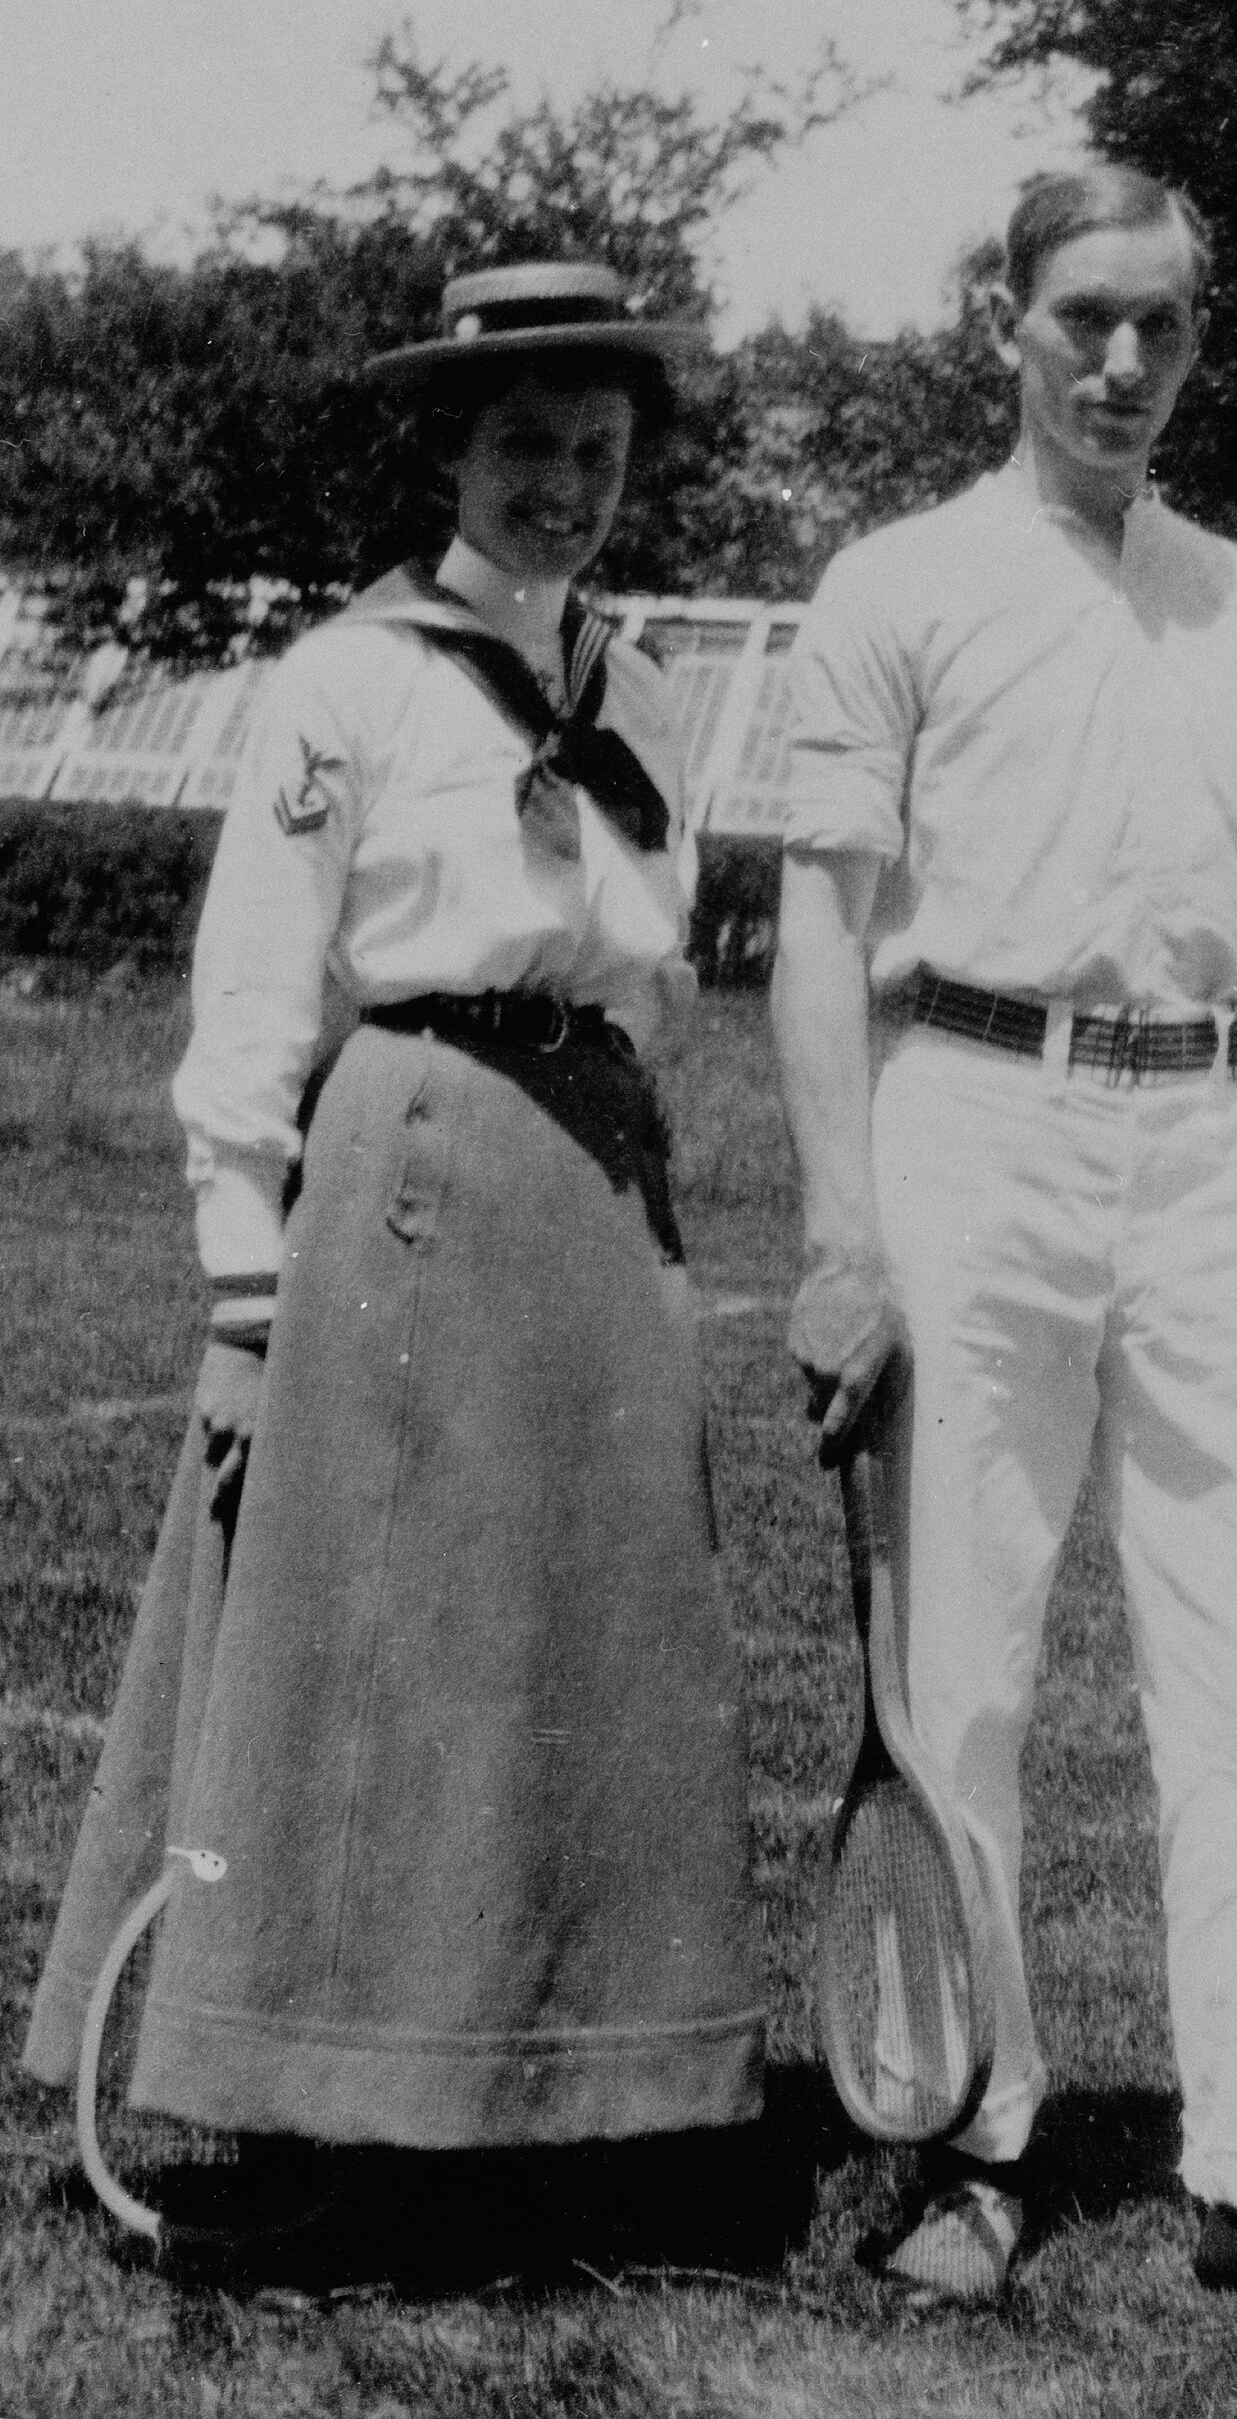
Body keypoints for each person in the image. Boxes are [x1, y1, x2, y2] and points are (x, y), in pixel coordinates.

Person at [770, 163, 1237, 2335]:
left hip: (1208, 1153)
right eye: (1084, 314)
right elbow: (816, 923)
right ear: (1004, 315)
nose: (1121, 361)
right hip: (967, 1122)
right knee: (952, 1678)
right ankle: (969, 2145)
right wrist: (836, 1227)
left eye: (1161, 323)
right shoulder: (892, 584)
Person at [20, 263, 767, 2266]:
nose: (562, 486)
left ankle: (570, 2100)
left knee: (579, 1639)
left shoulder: (653, 690)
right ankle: (323, 2101)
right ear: (450, 448)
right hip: (409, 1166)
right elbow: (262, 982)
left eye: (598, 451)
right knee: (379, 1641)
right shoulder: (350, 680)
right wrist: (241, 1291)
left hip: (587, 1185)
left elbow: (645, 957)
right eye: (522, 445)